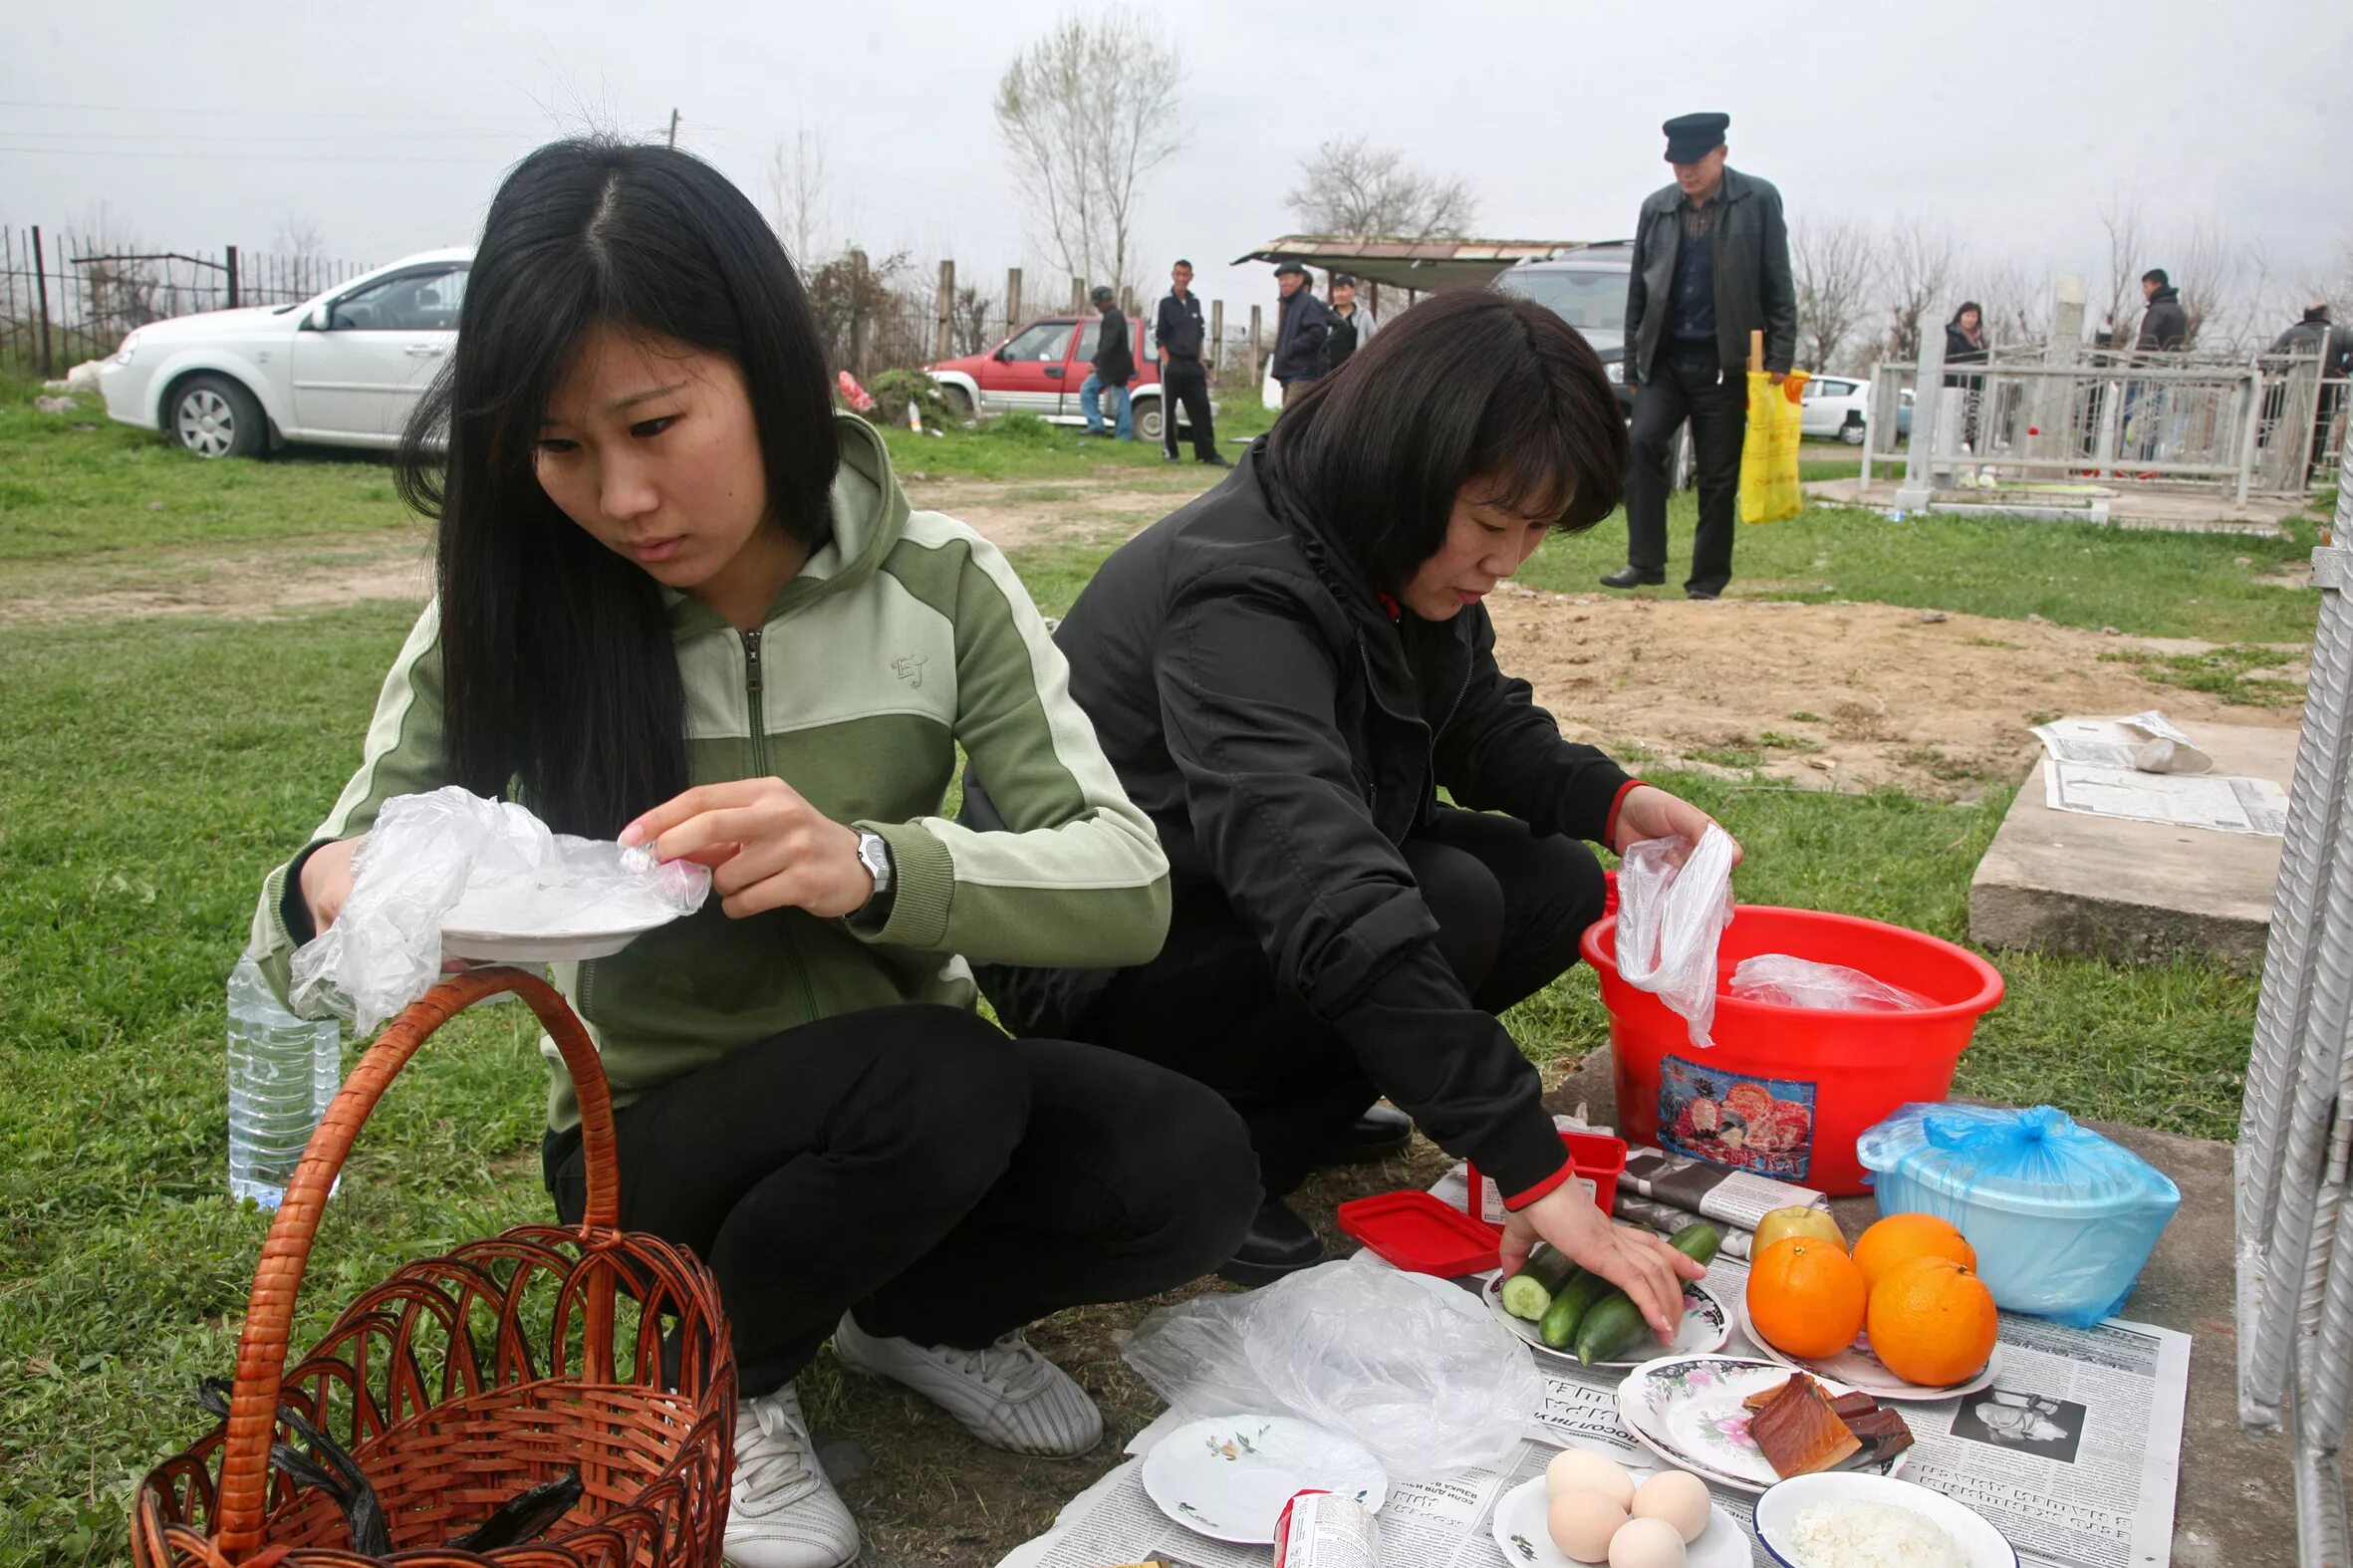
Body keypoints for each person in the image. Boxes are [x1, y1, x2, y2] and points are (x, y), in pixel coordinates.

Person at [247, 139, 1257, 1568]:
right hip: (648, 1137)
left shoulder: (941, 581)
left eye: (654, 423)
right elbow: (318, 871)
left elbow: (1128, 881)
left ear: (767, 373)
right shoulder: (517, 604)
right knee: (939, 1076)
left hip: (919, 1101)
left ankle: (908, 1315)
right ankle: (730, 1382)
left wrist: (878, 863)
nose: (619, 497)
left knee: (1187, 1162)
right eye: (559, 449)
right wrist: (345, 883)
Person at [968, 289, 1723, 1332]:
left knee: (1550, 884)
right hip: (1097, 952)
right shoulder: (1241, 591)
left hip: (1227, 890)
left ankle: (1302, 1100)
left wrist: (1611, 798)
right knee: (1441, 897)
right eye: (1493, 523)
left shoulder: (1384, 551)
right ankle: (1226, 1147)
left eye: (1536, 530)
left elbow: (1469, 714)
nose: (1507, 562)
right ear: (1408, 470)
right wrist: (1529, 1164)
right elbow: (1321, 881)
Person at [1604, 112, 1795, 602]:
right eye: (1677, 164)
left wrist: (1779, 357)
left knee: (1717, 475)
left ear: (1722, 154)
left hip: (1726, 365)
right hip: (1664, 362)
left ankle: (1707, 581)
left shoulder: (1758, 200)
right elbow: (1637, 294)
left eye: (1695, 161)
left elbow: (1778, 284)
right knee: (1642, 445)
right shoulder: (1658, 208)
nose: (1685, 172)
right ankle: (1644, 563)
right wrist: (1633, 361)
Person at [2267, 303, 2353, 483]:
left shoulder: (2292, 333)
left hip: (2295, 390)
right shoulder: (2339, 333)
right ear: (2326, 315)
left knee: (2291, 430)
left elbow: (2272, 357)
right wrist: (2345, 368)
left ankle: (2284, 477)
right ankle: (2305, 478)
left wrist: (2282, 373)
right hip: (2327, 388)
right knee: (2319, 431)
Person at [1155, 258, 1228, 466]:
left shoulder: (1195, 302)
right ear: (1173, 275)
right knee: (1168, 410)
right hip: (1172, 362)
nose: (1181, 278)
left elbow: (1200, 333)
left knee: (1201, 408)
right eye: (1178, 274)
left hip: (1192, 364)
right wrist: (1167, 360)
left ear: (1191, 277)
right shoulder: (1164, 302)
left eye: (1185, 275)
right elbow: (1156, 333)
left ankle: (1207, 453)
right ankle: (1171, 451)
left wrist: (1201, 361)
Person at [2126, 269, 2189, 461]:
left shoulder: (2157, 311)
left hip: (2147, 372)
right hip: (2164, 371)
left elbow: (2146, 342)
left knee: (2128, 415)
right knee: (2153, 419)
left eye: (2146, 286)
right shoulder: (2178, 311)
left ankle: (2123, 458)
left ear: (2157, 285)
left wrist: (2133, 369)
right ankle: (2146, 461)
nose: (2144, 291)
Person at [1270, 260, 1334, 408]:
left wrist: (1292, 348)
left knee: (1290, 421)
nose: (1283, 283)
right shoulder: (1290, 305)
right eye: (1280, 280)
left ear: (1299, 279)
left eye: (1287, 278)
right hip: (1289, 374)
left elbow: (1318, 331)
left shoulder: (1308, 303)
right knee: (1287, 420)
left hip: (1302, 373)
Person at [1081, 284, 1136, 440]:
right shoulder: (1115, 315)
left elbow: (1109, 342)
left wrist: (1095, 361)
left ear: (1105, 300)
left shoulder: (1112, 317)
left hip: (1112, 366)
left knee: (1087, 390)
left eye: (1097, 303)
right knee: (1122, 398)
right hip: (1119, 366)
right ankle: (1123, 437)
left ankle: (1096, 426)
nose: (1096, 306)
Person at [1944, 301, 1989, 447]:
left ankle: (1973, 449)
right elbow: (1949, 359)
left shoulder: (1979, 338)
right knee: (1953, 421)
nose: (1971, 319)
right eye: (1968, 315)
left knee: (1974, 420)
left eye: (1974, 316)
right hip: (1955, 384)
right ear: (1960, 316)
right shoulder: (1951, 334)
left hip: (1976, 386)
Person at [1325, 273, 1379, 374]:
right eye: (1336, 290)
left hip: (1353, 370)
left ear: (1353, 291)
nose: (1339, 294)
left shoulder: (1364, 315)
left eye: (1343, 290)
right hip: (1328, 370)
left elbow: (1375, 339)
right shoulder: (1326, 313)